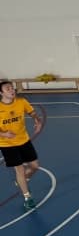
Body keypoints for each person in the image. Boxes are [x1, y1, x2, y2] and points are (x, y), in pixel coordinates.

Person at [0, 81, 43, 210]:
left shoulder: (21, 102)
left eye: (12, 88)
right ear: (1, 93)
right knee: (19, 170)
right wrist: (4, 134)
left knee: (35, 166)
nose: (11, 90)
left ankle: (23, 179)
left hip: (24, 140)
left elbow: (32, 112)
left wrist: (37, 120)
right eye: (8, 89)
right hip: (7, 144)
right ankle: (27, 198)